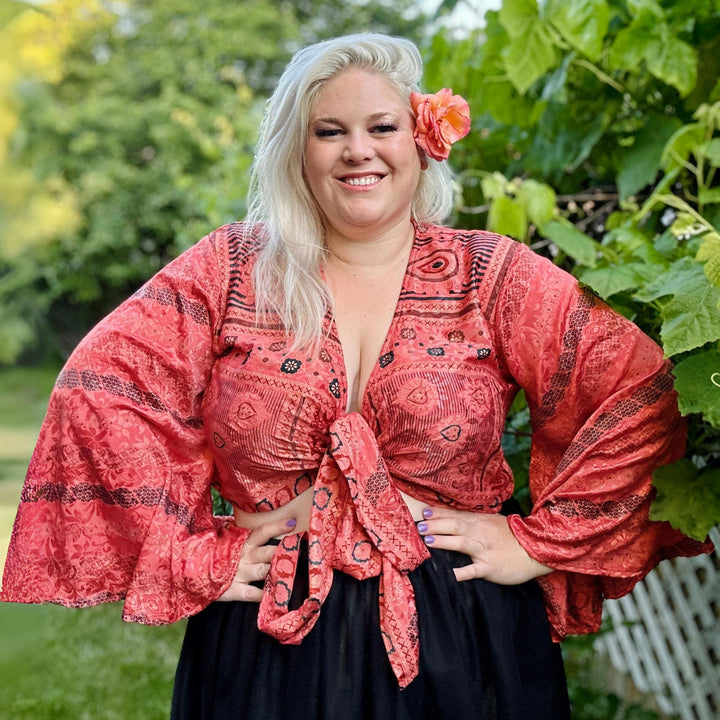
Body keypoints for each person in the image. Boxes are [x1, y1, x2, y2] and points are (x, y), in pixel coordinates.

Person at [1, 33, 712, 720]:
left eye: (382, 126)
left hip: (467, 635)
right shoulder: (231, 269)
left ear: (421, 141)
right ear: (297, 152)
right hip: (270, 637)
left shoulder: (488, 274)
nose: (358, 150)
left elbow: (638, 391)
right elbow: (101, 391)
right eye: (329, 131)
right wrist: (192, 552)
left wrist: (533, 543)